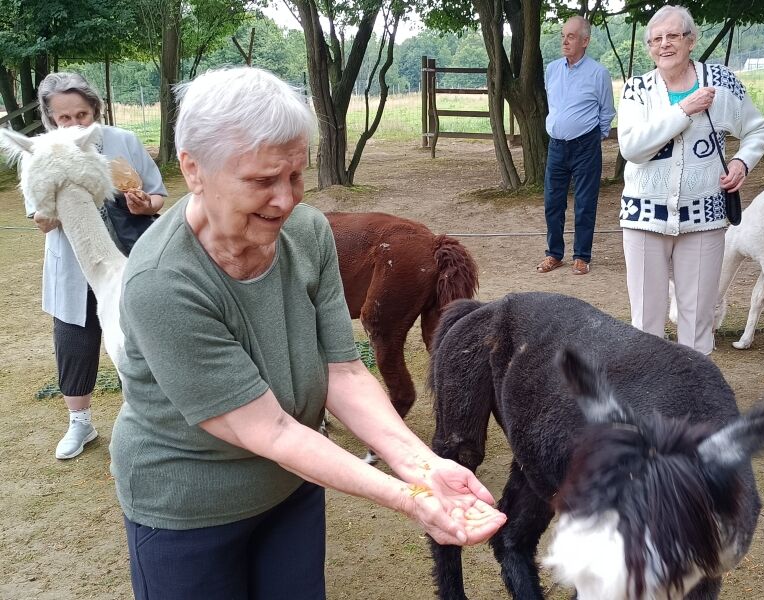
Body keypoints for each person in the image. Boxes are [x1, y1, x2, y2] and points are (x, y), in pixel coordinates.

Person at [108, 67, 507, 599]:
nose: (286, 199)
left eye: (295, 175)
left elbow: (341, 369)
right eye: (261, 181)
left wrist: (424, 465)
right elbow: (267, 429)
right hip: (188, 509)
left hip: (292, 484)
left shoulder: (306, 231)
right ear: (194, 170)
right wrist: (412, 498)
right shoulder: (162, 282)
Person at [616, 5, 764, 355]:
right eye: (656, 39)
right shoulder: (638, 89)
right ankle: (647, 398)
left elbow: (758, 129)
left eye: (673, 36)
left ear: (691, 40)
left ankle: (696, 401)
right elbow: (633, 148)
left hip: (704, 217)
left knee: (698, 318)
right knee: (645, 321)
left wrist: (742, 163)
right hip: (645, 217)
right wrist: (684, 109)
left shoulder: (722, 82)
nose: (664, 45)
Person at [33, 72, 167, 460]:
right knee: (75, 336)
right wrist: (66, 203)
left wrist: (144, 203)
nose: (75, 124)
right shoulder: (46, 152)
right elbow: (40, 216)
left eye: (82, 114)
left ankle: (153, 413)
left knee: (144, 333)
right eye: (64, 118)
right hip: (76, 264)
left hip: (132, 255)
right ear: (51, 120)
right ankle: (80, 424)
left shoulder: (122, 141)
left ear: (96, 109)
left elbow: (157, 195)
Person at [537, 15, 616, 275]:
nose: (565, 41)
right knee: (553, 201)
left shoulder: (598, 73)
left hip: (585, 146)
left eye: (571, 36)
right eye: (563, 36)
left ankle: (582, 256)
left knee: (584, 202)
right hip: (557, 146)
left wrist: (594, 137)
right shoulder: (552, 70)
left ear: (585, 41)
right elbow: (555, 106)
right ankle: (554, 254)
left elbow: (606, 112)